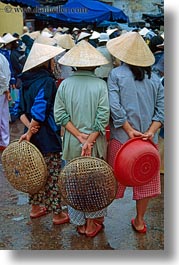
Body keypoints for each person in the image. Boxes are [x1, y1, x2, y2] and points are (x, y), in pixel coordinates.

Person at [106, 32, 164, 233]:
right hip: (148, 143)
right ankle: (139, 220)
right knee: (145, 181)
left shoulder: (116, 75)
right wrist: (149, 132)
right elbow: (162, 110)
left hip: (122, 140)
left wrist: (130, 130)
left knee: (112, 181)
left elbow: (114, 106)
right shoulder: (155, 78)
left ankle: (97, 219)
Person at [54, 40, 110, 237]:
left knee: (75, 183)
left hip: (72, 143)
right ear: (95, 64)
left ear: (74, 65)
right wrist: (90, 140)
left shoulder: (65, 85)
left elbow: (59, 115)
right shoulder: (101, 85)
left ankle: (80, 222)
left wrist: (78, 136)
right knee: (95, 183)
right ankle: (92, 223)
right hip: (95, 145)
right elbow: (103, 118)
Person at [17, 42, 69, 225]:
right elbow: (41, 107)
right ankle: (57, 214)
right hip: (46, 135)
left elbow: (20, 110)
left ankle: (35, 208)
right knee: (52, 175)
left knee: (35, 173)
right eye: (53, 60)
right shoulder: (47, 81)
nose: (55, 62)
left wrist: (29, 129)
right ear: (46, 62)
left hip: (29, 134)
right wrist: (33, 130)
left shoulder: (25, 80)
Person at [0, 53, 11, 151]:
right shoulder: (2, 57)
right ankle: (4, 142)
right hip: (3, 91)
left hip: (2, 90)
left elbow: (1, 77)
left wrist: (5, 88)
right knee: (4, 117)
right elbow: (7, 73)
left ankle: (3, 142)